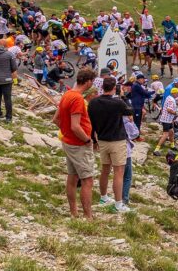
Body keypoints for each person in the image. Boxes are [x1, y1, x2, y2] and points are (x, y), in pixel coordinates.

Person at [55, 68, 97, 219]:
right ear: (88, 82)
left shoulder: (67, 94)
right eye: (92, 81)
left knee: (72, 176)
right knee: (87, 179)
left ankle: (74, 211)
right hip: (79, 144)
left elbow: (56, 119)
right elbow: (75, 125)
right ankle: (88, 216)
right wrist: (87, 139)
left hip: (68, 142)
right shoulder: (78, 99)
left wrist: (66, 132)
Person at [88, 76, 132, 212]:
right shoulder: (118, 103)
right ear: (114, 88)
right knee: (119, 172)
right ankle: (119, 204)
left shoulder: (93, 103)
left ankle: (103, 197)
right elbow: (130, 112)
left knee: (105, 170)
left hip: (102, 139)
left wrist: (94, 140)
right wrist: (123, 97)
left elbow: (92, 123)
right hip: (117, 140)